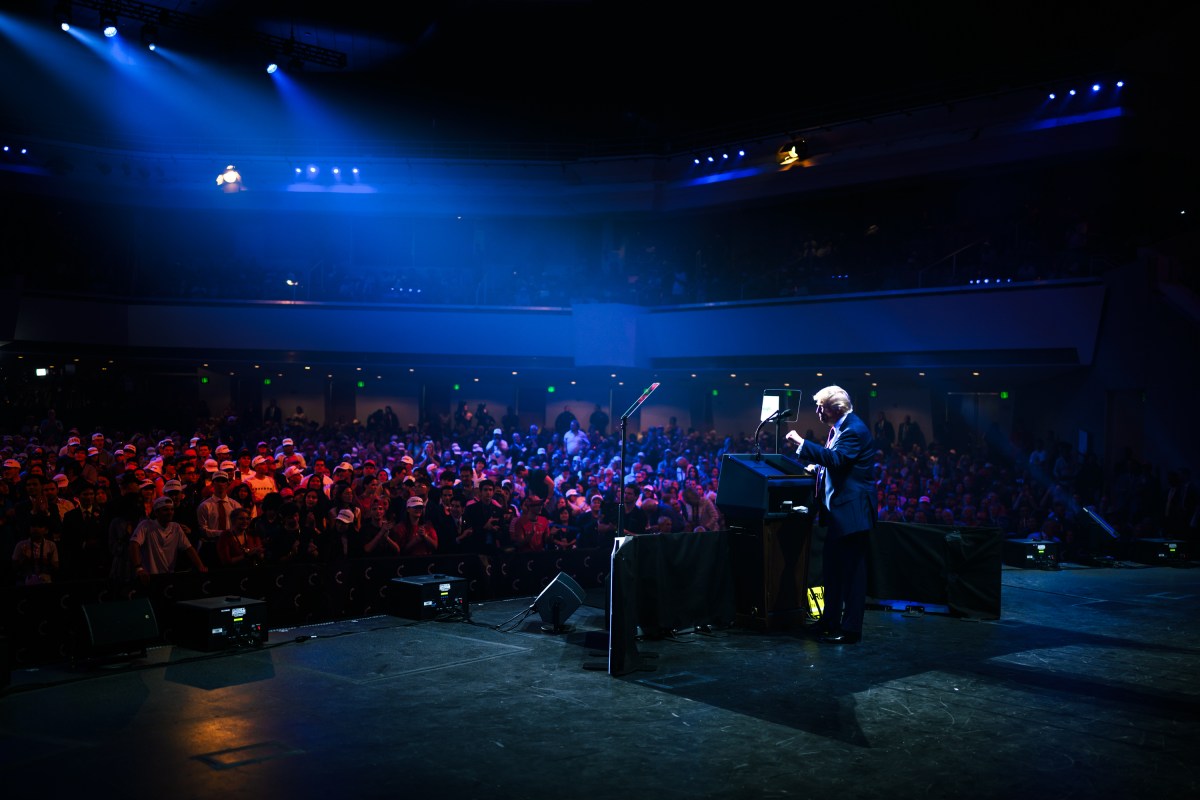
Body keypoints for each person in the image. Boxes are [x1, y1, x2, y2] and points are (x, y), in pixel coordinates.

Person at [785, 385, 875, 645]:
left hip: (852, 513)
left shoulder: (853, 430)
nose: (817, 412)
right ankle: (829, 621)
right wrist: (816, 467)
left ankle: (850, 630)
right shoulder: (840, 428)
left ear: (836, 409)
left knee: (852, 574)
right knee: (832, 571)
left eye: (821, 407)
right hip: (838, 514)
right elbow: (835, 464)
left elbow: (837, 460)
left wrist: (803, 445)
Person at [129, 496, 208, 582]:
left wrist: (201, 566)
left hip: (168, 576)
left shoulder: (176, 527)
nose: (170, 512)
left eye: (172, 509)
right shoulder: (146, 525)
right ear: (156, 512)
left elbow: (188, 548)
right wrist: (139, 569)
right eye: (165, 510)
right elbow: (134, 544)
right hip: (149, 577)